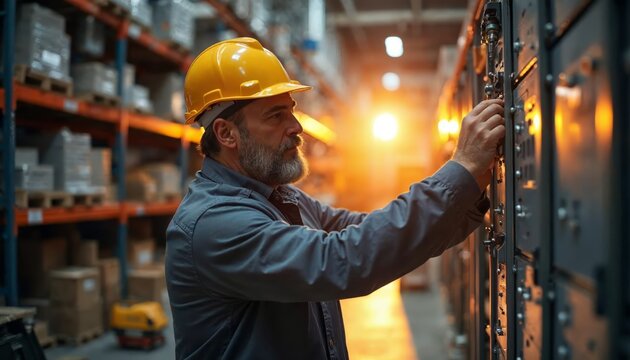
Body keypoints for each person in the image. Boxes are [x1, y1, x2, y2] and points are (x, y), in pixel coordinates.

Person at [166, 37, 505, 360]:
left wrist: (470, 193)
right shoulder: (213, 223)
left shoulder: (282, 198)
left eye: (291, 111)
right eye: (275, 115)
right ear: (226, 133)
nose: (296, 127)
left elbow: (367, 232)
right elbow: (343, 258)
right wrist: (460, 170)